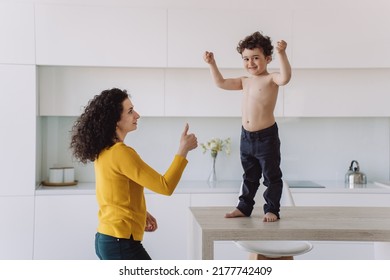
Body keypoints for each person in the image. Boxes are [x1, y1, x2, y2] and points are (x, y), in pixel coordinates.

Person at [70, 88, 198, 259]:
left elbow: (115, 195)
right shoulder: (121, 152)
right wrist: (183, 150)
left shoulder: (105, 151)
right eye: (130, 111)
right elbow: (165, 186)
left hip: (107, 239)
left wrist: (140, 212)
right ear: (114, 120)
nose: (137, 115)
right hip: (120, 243)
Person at [203, 31, 291, 222]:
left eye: (256, 58)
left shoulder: (271, 79)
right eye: (246, 59)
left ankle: (272, 210)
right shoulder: (245, 81)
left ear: (268, 58)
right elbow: (221, 83)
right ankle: (244, 207)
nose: (250, 63)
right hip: (246, 137)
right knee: (249, 176)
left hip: (266, 137)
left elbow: (285, 78)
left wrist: (282, 53)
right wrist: (212, 64)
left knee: (271, 177)